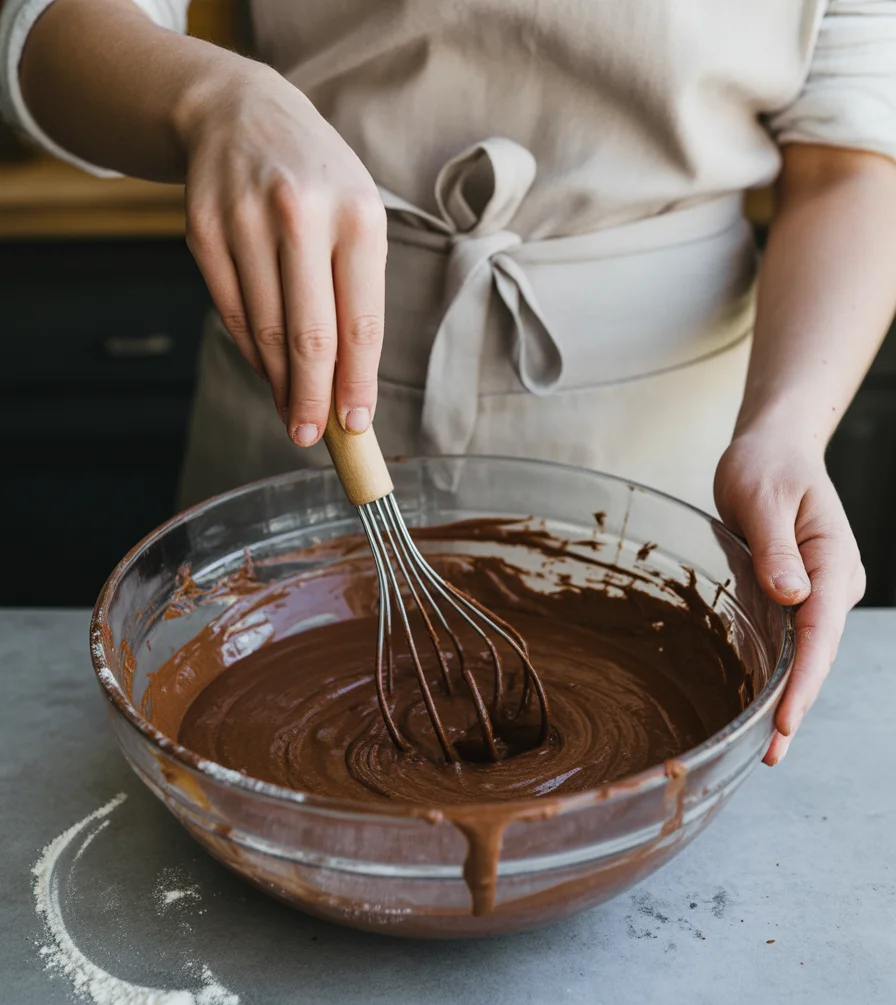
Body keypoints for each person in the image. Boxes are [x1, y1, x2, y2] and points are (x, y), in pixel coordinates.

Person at [2, 0, 894, 767]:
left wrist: (784, 432)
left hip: (670, 447)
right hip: (298, 373)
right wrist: (211, 98)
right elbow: (45, 29)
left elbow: (858, 148)